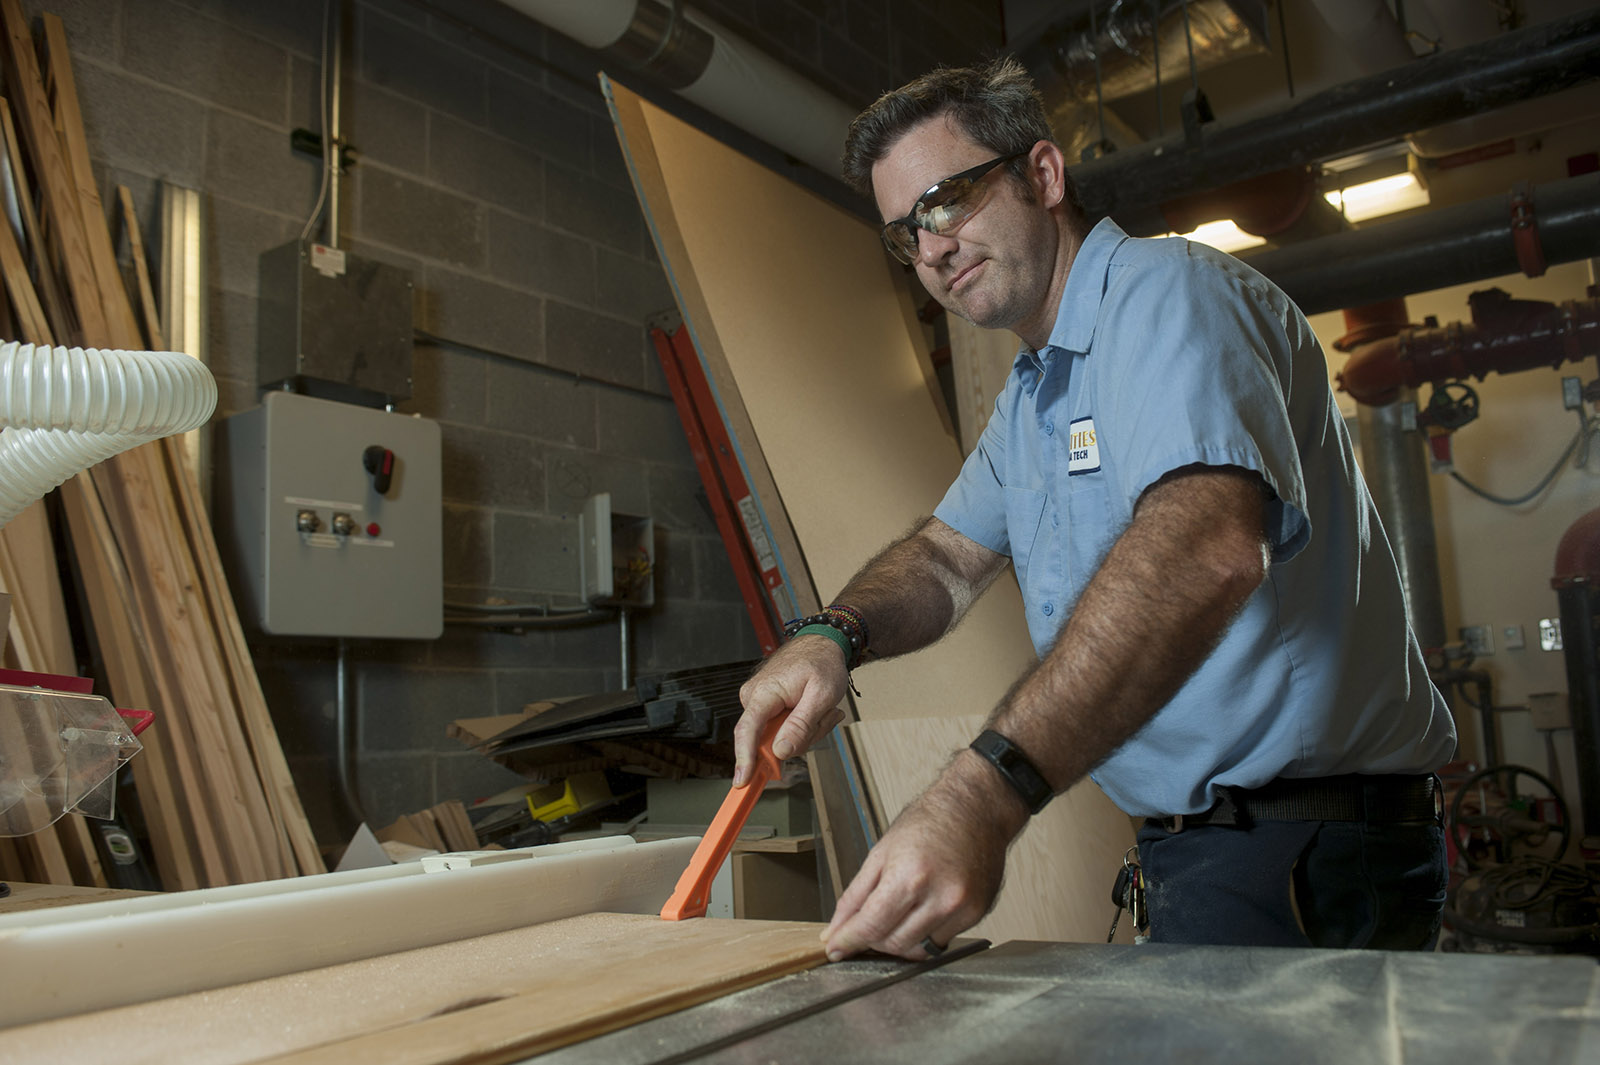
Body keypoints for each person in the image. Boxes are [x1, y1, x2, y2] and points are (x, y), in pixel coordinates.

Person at [731, 56, 1457, 961]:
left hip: (1303, 851)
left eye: (948, 201)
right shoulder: (1037, 392)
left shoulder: (1170, 298)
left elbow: (1208, 550)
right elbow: (947, 557)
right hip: (1204, 851)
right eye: (905, 233)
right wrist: (831, 634)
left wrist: (981, 796)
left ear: (1042, 175)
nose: (932, 249)